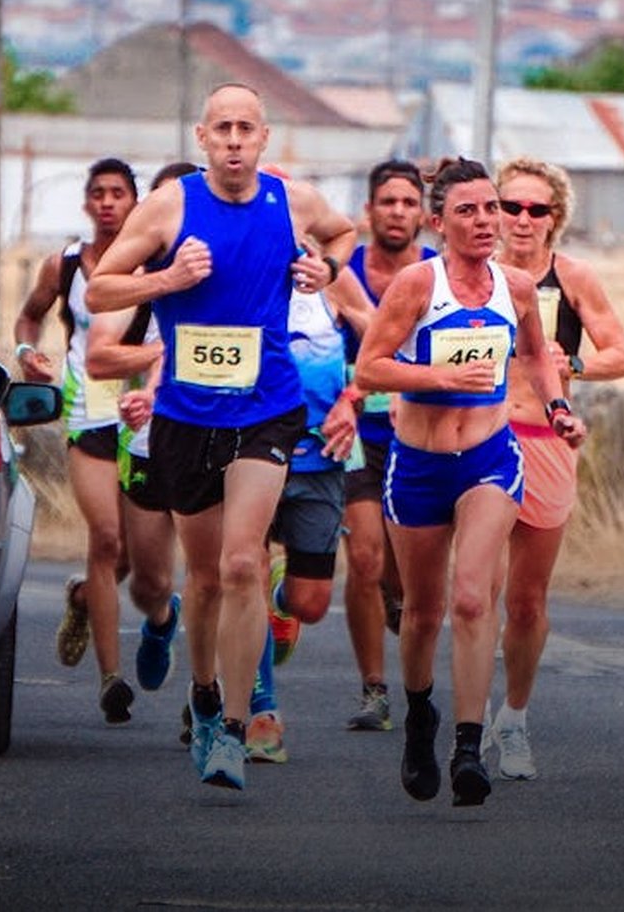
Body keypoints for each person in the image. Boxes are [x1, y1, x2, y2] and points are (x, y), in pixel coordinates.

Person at [87, 83, 356, 790]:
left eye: (246, 128)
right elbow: (99, 289)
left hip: (267, 408)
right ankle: (203, 692)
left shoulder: (292, 201)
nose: (235, 140)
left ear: (264, 138)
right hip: (186, 417)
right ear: (202, 139)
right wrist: (168, 279)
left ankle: (237, 727)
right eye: (222, 129)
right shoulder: (169, 206)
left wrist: (326, 270)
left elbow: (344, 233)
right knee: (204, 578)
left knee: (243, 565)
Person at [353, 158, 584, 808]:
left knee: (474, 599)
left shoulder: (516, 286)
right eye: (468, 211)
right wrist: (439, 378)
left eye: (491, 208)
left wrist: (558, 409)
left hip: (489, 456)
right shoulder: (417, 285)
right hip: (419, 464)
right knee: (422, 612)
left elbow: (534, 353)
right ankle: (420, 714)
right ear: (438, 222)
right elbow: (370, 368)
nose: (486, 221)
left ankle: (467, 745)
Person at [485, 156, 624, 779]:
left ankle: (513, 717)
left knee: (526, 601)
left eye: (536, 209)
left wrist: (573, 366)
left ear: (555, 218)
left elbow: (619, 353)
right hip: (483, 437)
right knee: (478, 591)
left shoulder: (571, 278)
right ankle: (470, 719)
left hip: (546, 439)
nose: (522, 219)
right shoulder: (473, 275)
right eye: (511, 206)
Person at [14, 157, 151, 720]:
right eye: (99, 193)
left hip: (143, 413)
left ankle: (80, 598)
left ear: (135, 202)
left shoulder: (153, 264)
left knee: (136, 558)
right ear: (87, 203)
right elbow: (29, 317)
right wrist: (27, 352)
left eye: (118, 193)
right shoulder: (66, 264)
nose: (108, 203)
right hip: (87, 410)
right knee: (106, 539)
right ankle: (111, 679)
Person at [76, 161, 199, 724]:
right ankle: (160, 619)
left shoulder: (235, 277)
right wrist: (162, 357)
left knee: (224, 570)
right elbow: (99, 358)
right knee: (150, 581)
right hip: (148, 441)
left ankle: (210, 701)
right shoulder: (139, 282)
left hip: (221, 441)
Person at [242, 279, 368, 763]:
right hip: (250, 448)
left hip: (320, 455)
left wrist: (352, 398)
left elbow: (383, 339)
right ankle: (262, 712)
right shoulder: (243, 267)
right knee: (244, 572)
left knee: (309, 603)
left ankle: (282, 598)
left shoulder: (329, 277)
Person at [336, 158, 437, 733]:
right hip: (355, 433)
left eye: (408, 203)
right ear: (368, 211)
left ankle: (397, 605)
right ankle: (374, 687)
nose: (397, 212)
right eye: (387, 202)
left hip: (417, 431)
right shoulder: (344, 269)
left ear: (423, 214)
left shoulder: (438, 272)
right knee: (365, 558)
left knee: (402, 577)